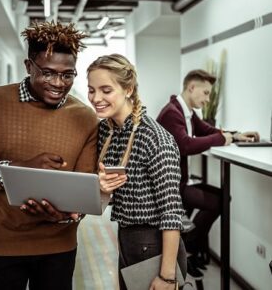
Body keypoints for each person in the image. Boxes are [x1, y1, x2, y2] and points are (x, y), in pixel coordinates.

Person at [0, 21, 98, 290]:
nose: (58, 83)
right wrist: (20, 168)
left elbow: (86, 187)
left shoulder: (86, 118)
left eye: (67, 75)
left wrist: (66, 216)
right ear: (29, 66)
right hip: (2, 247)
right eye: (48, 73)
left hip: (59, 247)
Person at [87, 54, 186, 290]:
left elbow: (171, 214)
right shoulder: (106, 131)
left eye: (106, 90)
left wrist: (167, 277)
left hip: (156, 245)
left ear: (128, 89)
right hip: (127, 239)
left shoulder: (155, 139)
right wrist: (100, 188)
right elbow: (105, 197)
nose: (96, 98)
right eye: (91, 90)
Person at [156, 69, 260, 279]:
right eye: (205, 93)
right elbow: (185, 145)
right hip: (171, 188)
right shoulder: (171, 113)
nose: (208, 98)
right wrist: (222, 140)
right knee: (218, 201)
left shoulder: (186, 112)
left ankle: (186, 248)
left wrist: (236, 135)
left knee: (222, 198)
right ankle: (188, 248)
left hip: (180, 183)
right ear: (191, 88)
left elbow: (207, 130)